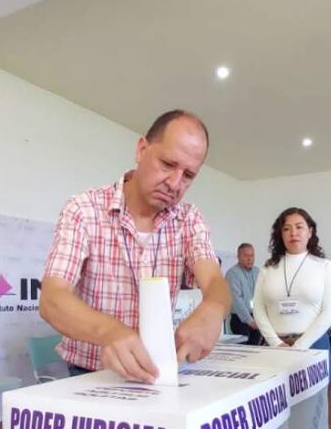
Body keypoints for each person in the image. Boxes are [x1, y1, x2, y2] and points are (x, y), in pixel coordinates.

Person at [39, 110, 231, 383]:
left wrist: (214, 307)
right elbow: (52, 299)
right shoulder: (83, 209)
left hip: (157, 374)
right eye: (167, 164)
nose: (175, 183)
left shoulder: (189, 219)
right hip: (88, 375)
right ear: (142, 149)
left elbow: (213, 279)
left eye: (188, 175)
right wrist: (108, 332)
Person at [252, 207, 331, 351]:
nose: (293, 233)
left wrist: (299, 345)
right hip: (275, 346)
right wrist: (276, 343)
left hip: (313, 344)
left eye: (299, 227)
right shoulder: (268, 268)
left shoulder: (324, 266)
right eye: (286, 229)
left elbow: (330, 312)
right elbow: (258, 308)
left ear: (309, 232)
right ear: (281, 234)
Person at [226, 243, 263, 345]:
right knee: (243, 352)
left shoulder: (258, 271)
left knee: (256, 351)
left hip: (256, 317)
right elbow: (236, 300)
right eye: (246, 256)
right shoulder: (232, 274)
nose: (249, 259)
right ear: (238, 257)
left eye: (252, 255)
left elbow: (262, 295)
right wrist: (249, 320)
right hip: (240, 319)